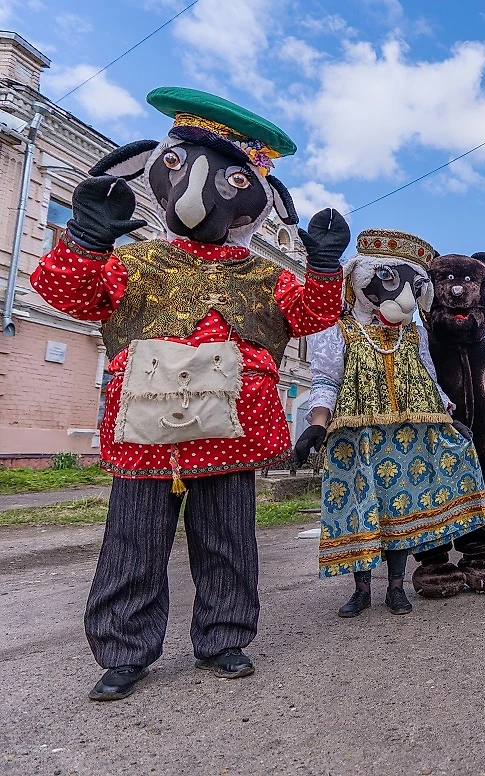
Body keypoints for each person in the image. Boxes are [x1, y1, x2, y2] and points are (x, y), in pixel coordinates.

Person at [30, 87, 347, 701]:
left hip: (229, 432)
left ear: (257, 201)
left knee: (227, 538)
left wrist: (325, 268)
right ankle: (124, 650)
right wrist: (85, 241)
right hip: (147, 435)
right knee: (132, 544)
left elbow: (311, 315)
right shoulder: (138, 259)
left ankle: (225, 637)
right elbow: (69, 296)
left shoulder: (263, 273)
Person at [294, 229, 485, 616]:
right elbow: (324, 380)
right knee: (359, 508)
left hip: (409, 436)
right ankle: (360, 590)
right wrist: (317, 424)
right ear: (361, 280)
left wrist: (450, 422)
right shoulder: (341, 330)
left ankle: (396, 587)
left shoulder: (413, 334)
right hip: (357, 437)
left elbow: (429, 382)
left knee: (401, 507)